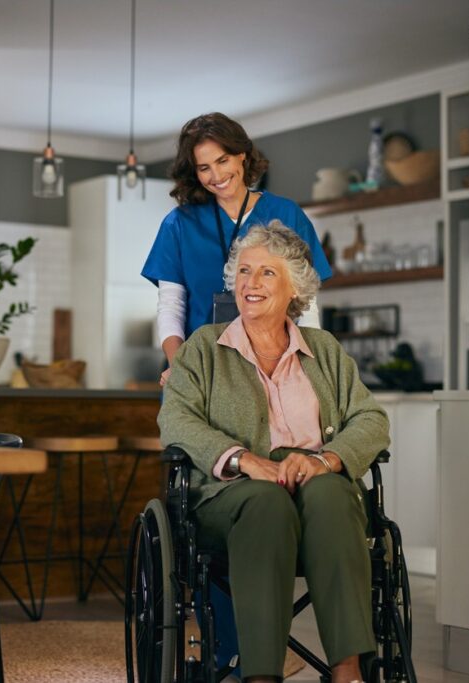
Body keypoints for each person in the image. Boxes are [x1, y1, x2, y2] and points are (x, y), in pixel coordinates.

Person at [159, 223, 389, 683]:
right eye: (244, 271)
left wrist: (326, 459)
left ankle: (348, 672)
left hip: (314, 481)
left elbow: (372, 419)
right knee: (264, 503)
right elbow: (176, 420)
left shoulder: (323, 350)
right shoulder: (205, 347)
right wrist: (243, 458)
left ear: (294, 288)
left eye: (267, 273)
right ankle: (262, 675)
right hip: (233, 493)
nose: (251, 283)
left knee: (332, 496)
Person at [141, 112, 333, 387]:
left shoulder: (287, 214)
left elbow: (305, 301)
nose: (216, 175)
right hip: (204, 369)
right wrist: (181, 367)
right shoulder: (179, 224)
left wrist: (309, 366)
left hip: (276, 368)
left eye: (223, 160)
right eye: (204, 167)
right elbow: (171, 305)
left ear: (242, 154)